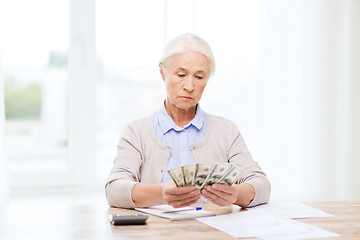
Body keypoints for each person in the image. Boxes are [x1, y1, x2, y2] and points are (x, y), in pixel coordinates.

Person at [105, 33, 270, 209]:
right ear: (163, 73)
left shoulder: (226, 131)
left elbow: (262, 186)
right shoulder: (136, 132)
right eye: (181, 74)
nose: (190, 86)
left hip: (212, 233)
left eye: (199, 77)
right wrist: (161, 193)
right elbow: (114, 190)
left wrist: (236, 194)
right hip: (156, 233)